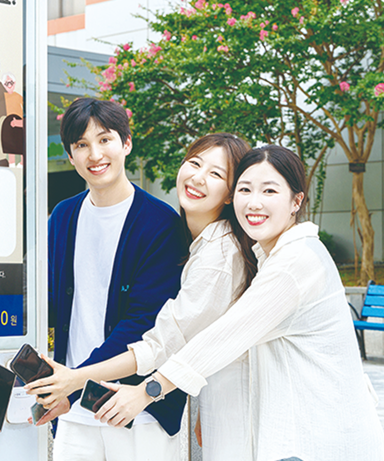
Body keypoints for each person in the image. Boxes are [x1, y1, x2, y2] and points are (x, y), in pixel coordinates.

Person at [62, 145, 384, 460]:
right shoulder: (268, 255)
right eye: (246, 190)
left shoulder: (292, 264)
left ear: (296, 201)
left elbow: (220, 339)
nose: (254, 203)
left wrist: (145, 391)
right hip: (298, 428)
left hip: (321, 436)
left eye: (270, 192)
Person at [28, 133, 254, 461]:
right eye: (194, 163)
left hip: (152, 408)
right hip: (107, 400)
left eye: (216, 174)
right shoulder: (194, 240)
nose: (198, 177)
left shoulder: (213, 251)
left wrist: (75, 381)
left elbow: (162, 340)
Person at [44, 98, 188, 460]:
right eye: (81, 145)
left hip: (137, 411)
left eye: (105, 139)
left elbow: (143, 324)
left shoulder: (161, 224)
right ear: (71, 156)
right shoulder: (63, 216)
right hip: (74, 413)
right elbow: (51, 301)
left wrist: (72, 382)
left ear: (126, 143)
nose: (95, 154)